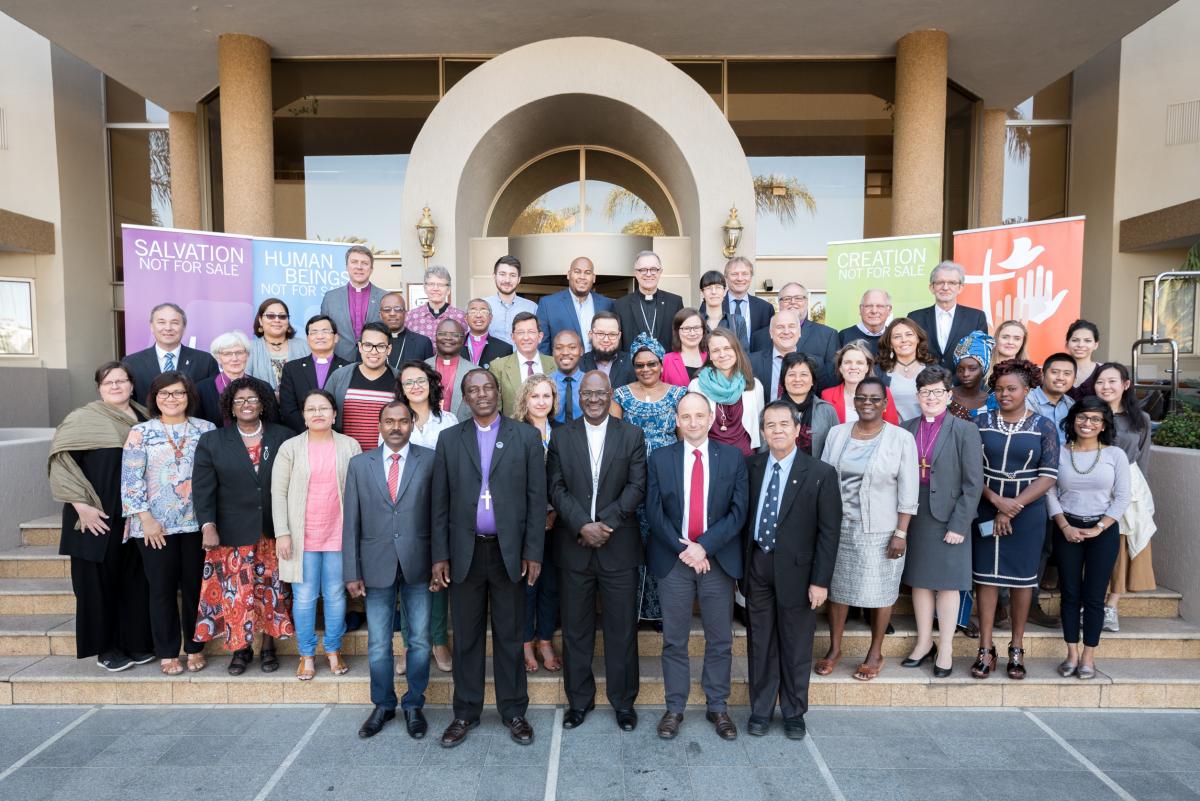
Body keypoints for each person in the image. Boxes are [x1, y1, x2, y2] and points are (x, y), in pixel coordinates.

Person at [430, 369, 546, 748]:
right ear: (464, 397)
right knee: (466, 637)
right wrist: (440, 556)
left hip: (508, 553)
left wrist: (533, 552)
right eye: (473, 389)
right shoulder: (449, 440)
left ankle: (514, 711)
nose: (481, 394)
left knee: (511, 635)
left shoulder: (526, 437)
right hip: (464, 553)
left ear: (499, 391)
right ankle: (465, 712)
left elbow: (535, 499)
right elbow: (440, 503)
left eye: (487, 387)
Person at [548, 371, 648, 731]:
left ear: (610, 395)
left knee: (621, 629)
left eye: (599, 393)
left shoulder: (632, 435)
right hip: (574, 547)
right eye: (586, 394)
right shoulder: (562, 436)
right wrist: (581, 525)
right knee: (576, 629)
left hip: (617, 545)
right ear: (580, 397)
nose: (592, 399)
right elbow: (555, 487)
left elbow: (638, 486)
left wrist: (604, 524)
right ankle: (579, 701)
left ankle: (623, 702)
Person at [645, 392, 748, 740]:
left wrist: (704, 547)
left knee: (719, 638)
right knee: (674, 639)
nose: (692, 423)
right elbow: (654, 511)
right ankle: (675, 707)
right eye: (686, 417)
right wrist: (685, 549)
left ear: (711, 418)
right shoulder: (660, 459)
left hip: (716, 560)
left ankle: (717, 706)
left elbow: (738, 512)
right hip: (675, 560)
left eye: (699, 416)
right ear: (677, 420)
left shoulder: (733, 458)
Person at [743, 401, 841, 739]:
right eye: (770, 425)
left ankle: (794, 711)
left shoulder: (820, 473)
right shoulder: (751, 466)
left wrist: (820, 581)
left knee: (797, 644)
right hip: (757, 564)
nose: (778, 430)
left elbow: (830, 532)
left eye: (784, 424)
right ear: (763, 431)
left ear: (798, 429)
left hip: (800, 574)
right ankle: (760, 708)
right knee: (760, 641)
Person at [49, 361, 154, 672]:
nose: (116, 387)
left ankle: (135, 644)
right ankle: (106, 649)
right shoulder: (82, 419)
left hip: (132, 515)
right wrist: (82, 506)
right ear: (99, 388)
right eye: (109, 382)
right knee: (97, 586)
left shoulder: (146, 418)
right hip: (94, 515)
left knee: (134, 582)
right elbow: (61, 464)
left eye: (121, 381)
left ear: (132, 385)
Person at [343, 400, 436, 739]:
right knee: (379, 643)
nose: (396, 427)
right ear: (379, 426)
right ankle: (383, 704)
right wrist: (351, 572)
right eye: (389, 422)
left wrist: (441, 561)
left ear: (412, 423)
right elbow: (351, 520)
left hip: (419, 563)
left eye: (402, 421)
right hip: (374, 564)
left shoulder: (430, 461)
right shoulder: (359, 465)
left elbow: (438, 516)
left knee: (420, 640)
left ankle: (414, 705)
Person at [818, 377, 918, 681]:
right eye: (861, 398)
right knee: (838, 591)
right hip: (839, 527)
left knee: (881, 591)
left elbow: (909, 491)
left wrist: (901, 533)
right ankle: (835, 649)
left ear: (885, 404)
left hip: (881, 530)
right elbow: (823, 479)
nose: (867, 404)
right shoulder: (837, 434)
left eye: (875, 399)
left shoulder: (900, 438)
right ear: (853, 401)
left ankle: (876, 652)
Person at [192, 378, 295, 674]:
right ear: (230, 407)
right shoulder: (213, 441)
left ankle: (268, 647)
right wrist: (207, 525)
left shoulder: (283, 437)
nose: (246, 405)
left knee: (270, 591)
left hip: (272, 531)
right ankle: (240, 649)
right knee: (237, 594)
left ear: (263, 404)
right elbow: (203, 488)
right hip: (231, 532)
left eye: (252, 399)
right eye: (239, 401)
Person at [120, 371, 216, 675]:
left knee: (193, 588)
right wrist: (145, 519)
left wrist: (211, 522)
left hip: (195, 524)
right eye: (165, 394)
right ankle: (166, 650)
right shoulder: (141, 432)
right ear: (154, 398)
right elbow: (131, 479)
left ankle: (194, 648)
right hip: (154, 527)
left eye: (178, 393)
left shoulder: (206, 429)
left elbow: (215, 476)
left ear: (189, 397)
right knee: (160, 589)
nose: (172, 399)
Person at [971, 359, 1060, 680]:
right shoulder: (980, 422)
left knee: (1023, 580)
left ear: (1027, 390)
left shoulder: (1043, 426)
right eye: (999, 389)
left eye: (1012, 389)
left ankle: (1016, 647)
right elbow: (970, 469)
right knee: (986, 577)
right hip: (986, 504)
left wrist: (1012, 506)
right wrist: (996, 501)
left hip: (1027, 511)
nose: (1005, 394)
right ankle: (985, 648)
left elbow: (1048, 476)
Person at [272, 388, 363, 682]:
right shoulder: (290, 447)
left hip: (339, 534)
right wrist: (282, 533)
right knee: (305, 596)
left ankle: (334, 650)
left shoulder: (350, 445)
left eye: (323, 408)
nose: (318, 414)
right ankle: (307, 654)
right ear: (303, 416)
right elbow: (278, 493)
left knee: (336, 595)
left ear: (335, 414)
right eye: (311, 409)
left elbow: (360, 492)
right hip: (302, 537)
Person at [899, 367, 984, 678]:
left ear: (949, 395)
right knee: (920, 581)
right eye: (925, 392)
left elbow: (974, 483)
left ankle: (945, 647)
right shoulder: (905, 427)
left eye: (937, 392)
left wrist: (960, 525)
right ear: (918, 396)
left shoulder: (964, 430)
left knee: (947, 586)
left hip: (950, 516)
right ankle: (923, 643)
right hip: (915, 514)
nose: (930, 397)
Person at [1048, 396, 1130, 680]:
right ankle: (1071, 653)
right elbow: (1049, 491)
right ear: (1073, 420)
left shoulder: (1114, 455)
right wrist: (1063, 525)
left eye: (1096, 419)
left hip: (1102, 532)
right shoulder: (1059, 451)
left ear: (1104, 424)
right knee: (1070, 594)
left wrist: (1100, 527)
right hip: (1066, 529)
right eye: (1083, 417)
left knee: (1094, 597)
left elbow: (1122, 498)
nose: (1088, 423)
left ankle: (1088, 656)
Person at [611, 333, 687, 628]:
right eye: (639, 365)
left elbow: (683, 441)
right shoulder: (620, 395)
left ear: (660, 363)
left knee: (663, 541)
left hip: (667, 477)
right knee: (633, 542)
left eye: (651, 364)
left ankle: (659, 612)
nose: (645, 370)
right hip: (632, 476)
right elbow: (615, 440)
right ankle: (634, 610)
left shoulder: (678, 394)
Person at [394, 360, 456, 675]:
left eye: (420, 380)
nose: (415, 386)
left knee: (439, 577)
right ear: (402, 390)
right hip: (405, 512)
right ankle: (409, 643)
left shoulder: (449, 421)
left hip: (442, 510)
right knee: (409, 578)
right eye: (408, 382)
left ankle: (438, 640)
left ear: (431, 383)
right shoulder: (394, 420)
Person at [1094, 362, 1156, 632]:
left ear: (1125, 385)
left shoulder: (1139, 419)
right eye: (1100, 382)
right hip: (1093, 486)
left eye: (1112, 381)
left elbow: (1143, 457)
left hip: (1129, 489)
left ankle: (1112, 606)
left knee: (1121, 549)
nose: (1106, 387)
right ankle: (1092, 602)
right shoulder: (1089, 413)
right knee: (1094, 547)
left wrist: (1139, 493)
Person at [514, 375, 562, 672]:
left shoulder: (562, 433)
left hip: (557, 523)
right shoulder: (515, 433)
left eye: (547, 396)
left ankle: (545, 639)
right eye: (535, 396)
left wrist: (554, 512)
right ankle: (525, 642)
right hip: (524, 523)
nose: (541, 402)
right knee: (527, 584)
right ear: (525, 400)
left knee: (551, 585)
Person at [688, 327, 764, 456]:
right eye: (716, 350)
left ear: (736, 351)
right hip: (710, 457)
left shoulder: (754, 385)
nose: (722, 354)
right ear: (710, 355)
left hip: (746, 458)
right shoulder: (697, 386)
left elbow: (760, 425)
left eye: (727, 348)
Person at [125, 302, 218, 403]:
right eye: (161, 322)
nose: (168, 328)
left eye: (175, 322)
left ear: (184, 328)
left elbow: (212, 401)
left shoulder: (205, 361)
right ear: (151, 327)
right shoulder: (131, 363)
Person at [749, 284, 839, 388]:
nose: (792, 302)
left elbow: (830, 382)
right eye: (787, 299)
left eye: (798, 298)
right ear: (779, 303)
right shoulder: (758, 337)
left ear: (807, 301)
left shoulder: (828, 335)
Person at [325, 322, 396, 452]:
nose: (373, 352)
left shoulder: (399, 380)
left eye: (380, 346)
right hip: (346, 457)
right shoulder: (339, 377)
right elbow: (325, 415)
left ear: (389, 349)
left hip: (385, 459)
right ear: (360, 347)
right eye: (368, 345)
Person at [907, 261, 989, 371]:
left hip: (962, 384)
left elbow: (979, 358)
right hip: (923, 383)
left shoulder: (976, 317)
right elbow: (909, 354)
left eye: (952, 283)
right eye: (940, 282)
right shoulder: (914, 318)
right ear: (931, 287)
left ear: (960, 288)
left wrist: (955, 384)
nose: (945, 287)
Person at [278, 315, 350, 433]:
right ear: (308, 338)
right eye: (314, 332)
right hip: (301, 436)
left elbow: (348, 409)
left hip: (339, 437)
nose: (320, 336)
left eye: (325, 331)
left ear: (336, 337)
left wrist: (332, 432)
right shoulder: (292, 369)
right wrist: (311, 431)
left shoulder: (349, 368)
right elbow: (288, 409)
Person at [319, 244, 386, 362]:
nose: (359, 267)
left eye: (365, 263)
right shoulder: (331, 298)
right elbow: (324, 331)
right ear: (347, 266)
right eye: (354, 262)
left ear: (371, 269)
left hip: (375, 361)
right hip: (339, 362)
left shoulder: (385, 297)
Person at [196, 330, 277, 427]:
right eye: (227, 354)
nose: (235, 359)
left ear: (247, 355)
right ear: (218, 358)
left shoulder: (264, 387)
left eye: (239, 352)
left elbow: (273, 424)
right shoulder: (201, 389)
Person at [536, 256, 614, 354]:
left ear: (594, 278)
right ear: (569, 275)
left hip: (598, 368)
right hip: (562, 367)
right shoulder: (548, 304)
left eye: (587, 273)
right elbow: (542, 347)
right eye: (577, 272)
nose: (582, 277)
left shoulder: (607, 304)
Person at [614, 250, 683, 352]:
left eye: (653, 269)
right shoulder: (620, 305)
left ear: (660, 272)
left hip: (667, 365)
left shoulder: (675, 302)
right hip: (632, 366)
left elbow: (681, 339)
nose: (648, 274)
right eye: (643, 270)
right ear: (635, 273)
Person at [489, 311, 554, 416]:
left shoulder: (554, 364)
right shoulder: (498, 367)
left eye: (531, 332)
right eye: (520, 332)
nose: (526, 337)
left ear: (540, 336)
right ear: (513, 337)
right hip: (513, 430)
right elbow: (496, 410)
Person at [820, 340, 900, 425]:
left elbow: (893, 430)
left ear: (867, 368)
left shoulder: (884, 392)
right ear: (840, 368)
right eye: (847, 362)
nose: (853, 367)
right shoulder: (827, 395)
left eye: (859, 363)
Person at [778, 352, 839, 458]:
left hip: (817, 472)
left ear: (812, 381)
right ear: (783, 379)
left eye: (804, 374)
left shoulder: (827, 410)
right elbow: (764, 449)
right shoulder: (771, 410)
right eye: (792, 374)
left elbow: (835, 448)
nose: (797, 379)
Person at [876, 317, 937, 421]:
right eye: (897, 337)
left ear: (918, 339)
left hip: (926, 433)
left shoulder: (934, 370)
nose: (904, 340)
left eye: (909, 334)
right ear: (890, 344)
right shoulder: (878, 372)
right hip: (893, 434)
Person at [246, 297, 310, 391]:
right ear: (260, 320)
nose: (277, 320)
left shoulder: (304, 346)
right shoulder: (250, 348)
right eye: (271, 316)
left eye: (282, 316)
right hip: (262, 404)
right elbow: (244, 382)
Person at [425, 318, 476, 420]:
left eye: (455, 335)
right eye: (442, 334)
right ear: (435, 337)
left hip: (461, 430)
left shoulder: (474, 372)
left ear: (462, 340)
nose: (448, 338)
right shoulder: (422, 368)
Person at [749, 310, 802, 406]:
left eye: (791, 326)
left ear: (799, 332)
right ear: (771, 333)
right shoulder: (751, 362)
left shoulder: (813, 364)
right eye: (780, 327)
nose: (786, 331)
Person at [722, 257, 773, 351]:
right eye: (734, 274)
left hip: (756, 363)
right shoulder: (712, 306)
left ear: (751, 277)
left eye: (745, 274)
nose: (740, 278)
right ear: (726, 277)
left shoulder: (765, 308)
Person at [485, 255, 538, 346]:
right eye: (502, 274)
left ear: (519, 279)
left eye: (512, 275)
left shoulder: (532, 307)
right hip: (490, 360)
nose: (507, 280)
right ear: (494, 276)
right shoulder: (483, 305)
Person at [405, 265, 467, 342]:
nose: (435, 289)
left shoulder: (460, 317)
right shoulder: (411, 317)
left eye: (441, 285)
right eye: (431, 284)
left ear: (448, 290)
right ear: (425, 288)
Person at [948, 331, 998, 420]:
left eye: (972, 369)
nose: (966, 374)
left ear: (983, 369)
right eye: (960, 369)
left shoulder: (992, 402)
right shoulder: (945, 397)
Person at [1028, 353, 1077, 445]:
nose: (1060, 378)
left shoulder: (1071, 404)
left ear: (1074, 379)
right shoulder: (1026, 400)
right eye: (1054, 372)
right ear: (1043, 374)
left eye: (1067, 373)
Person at [379, 291, 434, 371]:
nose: (392, 313)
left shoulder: (423, 343)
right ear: (380, 315)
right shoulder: (369, 343)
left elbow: (430, 376)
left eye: (398, 309)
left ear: (405, 313)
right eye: (387, 310)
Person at [580, 310, 634, 387]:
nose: (606, 340)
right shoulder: (579, 365)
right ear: (590, 335)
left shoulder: (632, 363)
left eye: (612, 334)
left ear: (619, 336)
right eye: (600, 333)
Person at [462, 297, 513, 369]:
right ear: (466, 318)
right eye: (473, 312)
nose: (478, 315)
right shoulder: (455, 346)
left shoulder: (504, 349)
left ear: (490, 318)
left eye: (483, 312)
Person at [549, 330, 586, 426]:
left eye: (572, 347)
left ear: (581, 351)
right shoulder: (546, 383)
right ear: (553, 351)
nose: (565, 352)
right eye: (559, 348)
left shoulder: (590, 382)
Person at [663, 308, 706, 386]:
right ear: (677, 331)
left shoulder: (711, 359)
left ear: (703, 330)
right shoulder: (665, 361)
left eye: (696, 328)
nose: (692, 333)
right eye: (686, 328)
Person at [1066, 319, 1103, 400]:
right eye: (1075, 340)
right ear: (1067, 343)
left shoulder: (1104, 371)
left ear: (1095, 345)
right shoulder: (1056, 371)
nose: (1081, 345)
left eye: (1087, 341)